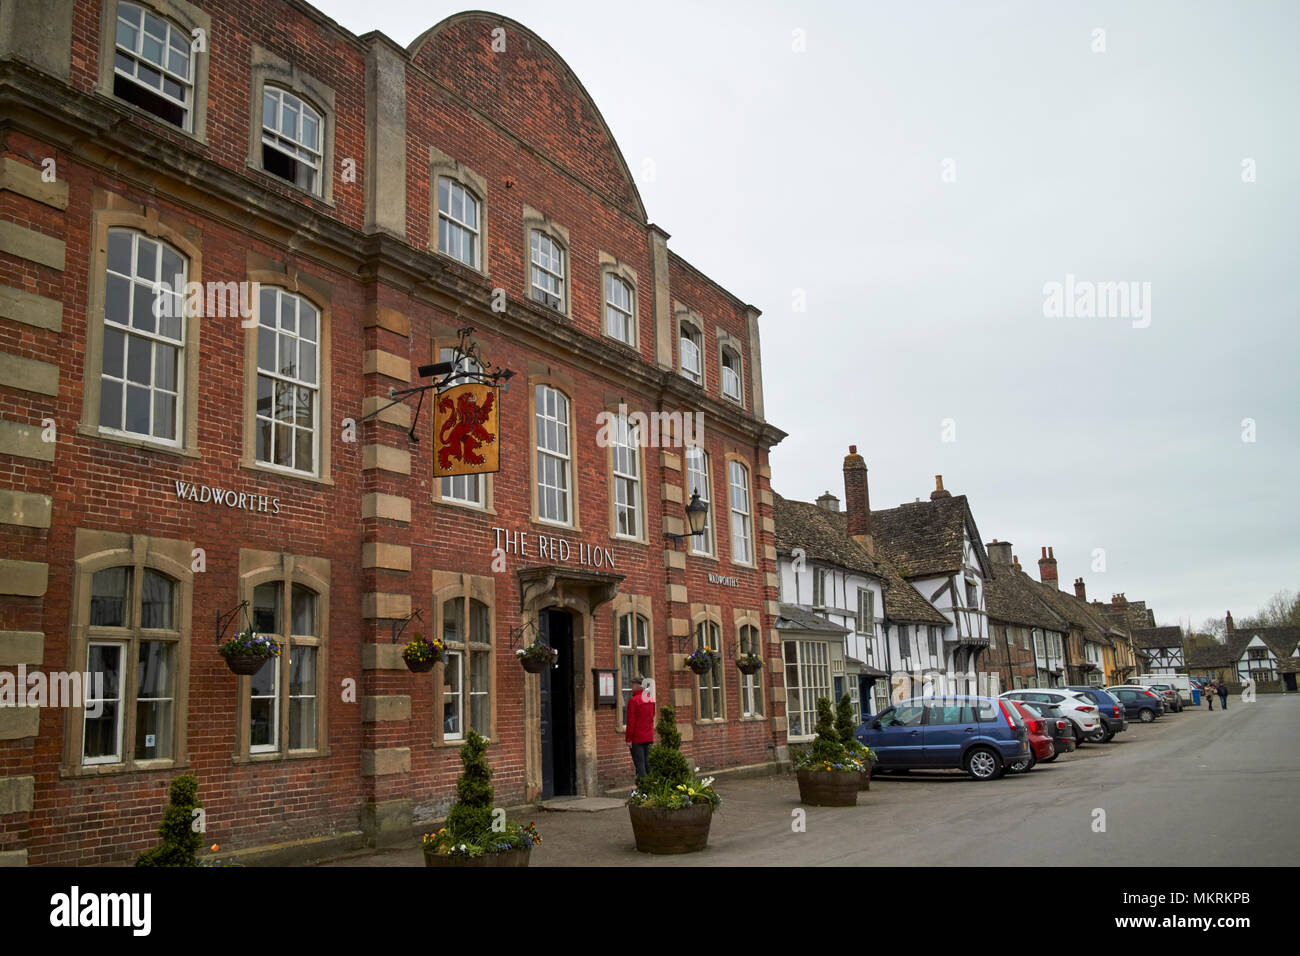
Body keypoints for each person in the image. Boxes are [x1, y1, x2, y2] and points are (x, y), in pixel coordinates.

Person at [625, 677, 655, 783]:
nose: (631, 687)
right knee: (648, 764)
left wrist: (628, 739)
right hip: (648, 736)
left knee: (640, 765)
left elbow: (631, 722)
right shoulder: (650, 700)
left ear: (638, 686)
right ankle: (652, 786)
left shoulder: (633, 701)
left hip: (637, 738)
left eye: (633, 685)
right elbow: (652, 717)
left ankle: (645, 790)